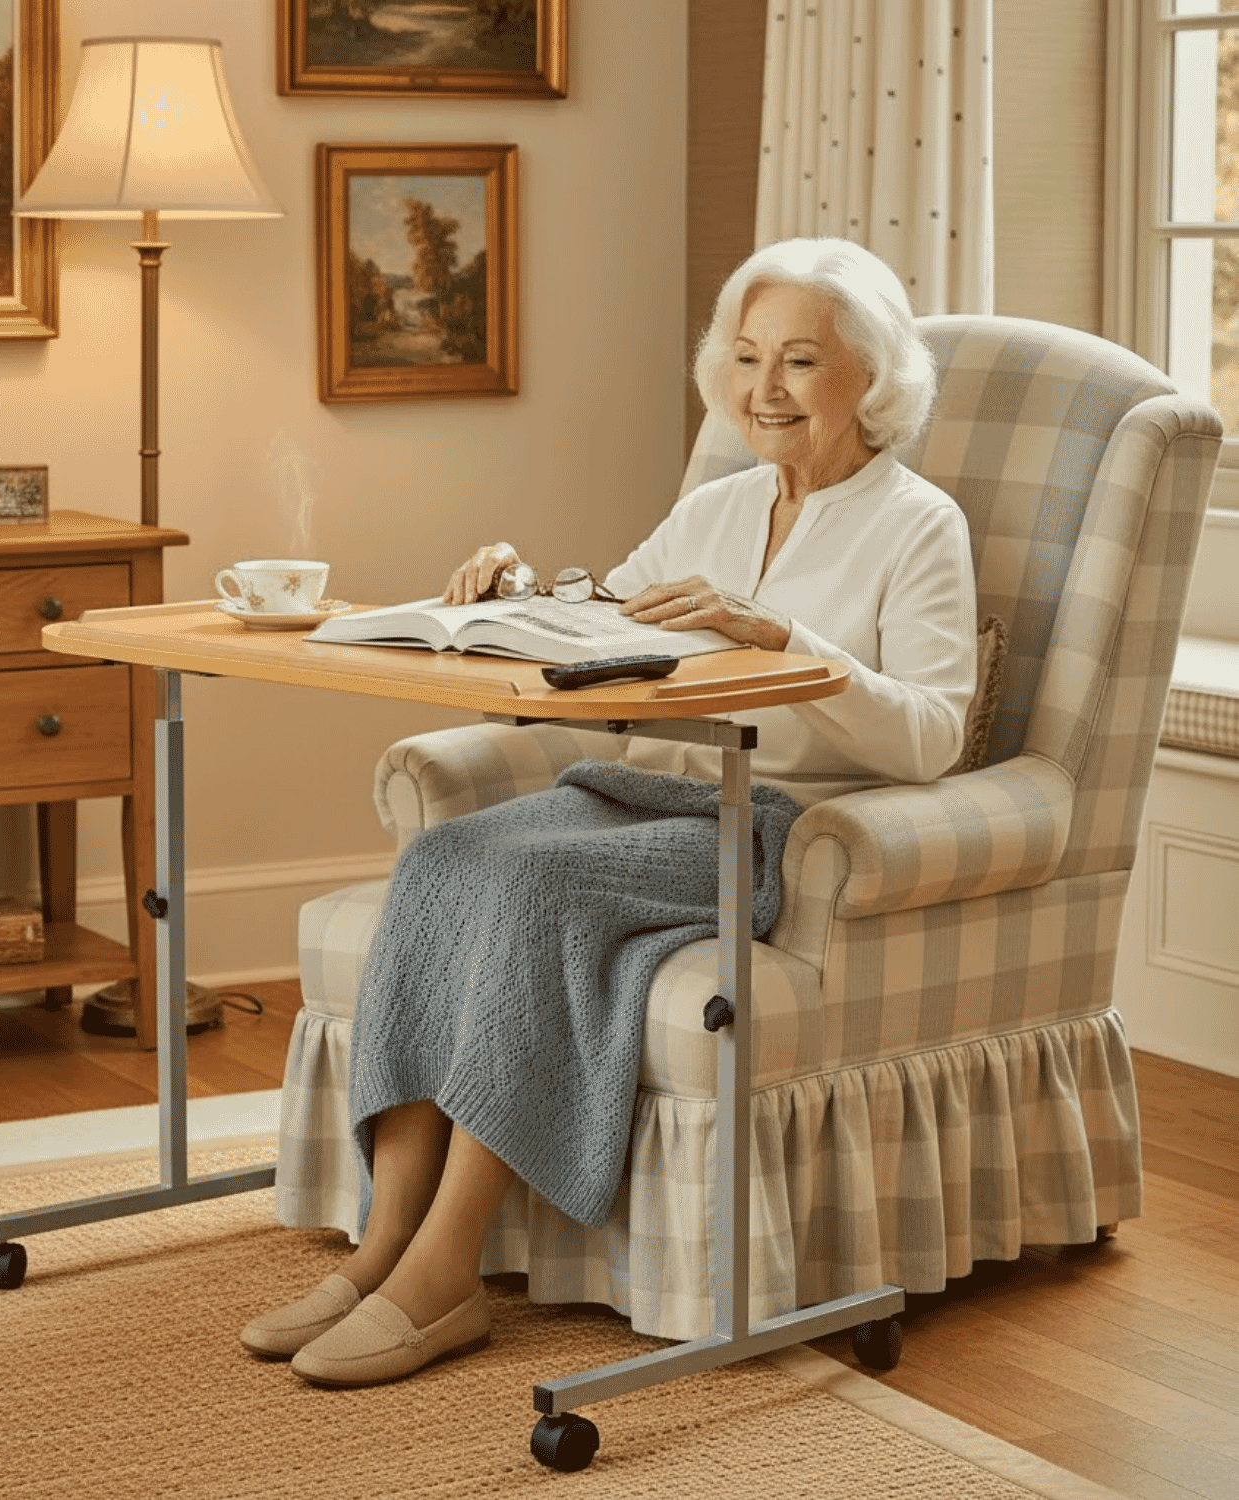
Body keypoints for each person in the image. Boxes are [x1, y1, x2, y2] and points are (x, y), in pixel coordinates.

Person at [241, 237, 978, 1387]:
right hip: (643, 796)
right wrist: (520, 589)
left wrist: (778, 637)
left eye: (798, 362)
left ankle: (443, 1275)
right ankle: (381, 1241)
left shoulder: (918, 523)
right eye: (744, 360)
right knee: (443, 860)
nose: (762, 391)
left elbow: (933, 733)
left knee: (536, 885)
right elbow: (610, 623)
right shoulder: (719, 506)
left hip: (775, 823)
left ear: (872, 379)